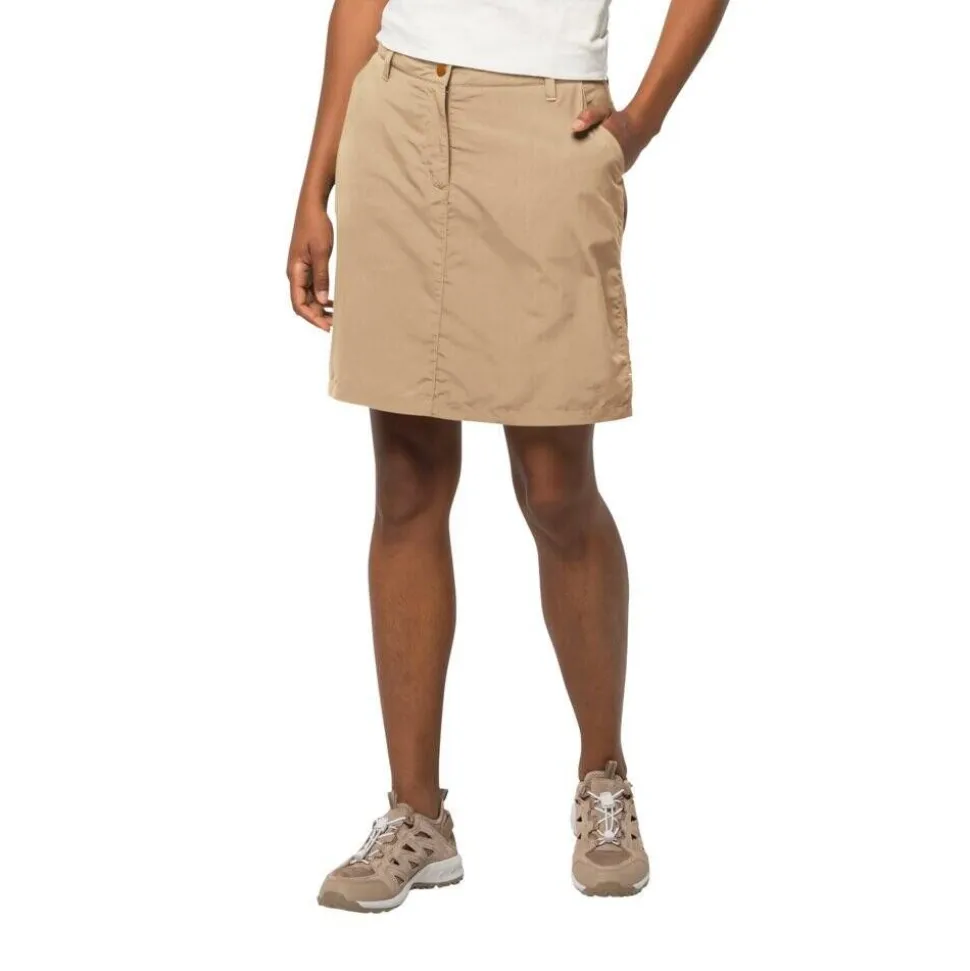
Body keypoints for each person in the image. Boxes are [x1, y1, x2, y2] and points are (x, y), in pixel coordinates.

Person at [288, 0, 728, 913]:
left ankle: (603, 780)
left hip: (548, 122)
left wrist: (642, 118)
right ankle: (417, 815)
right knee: (406, 483)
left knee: (556, 486)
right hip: (399, 112)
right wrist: (314, 182)